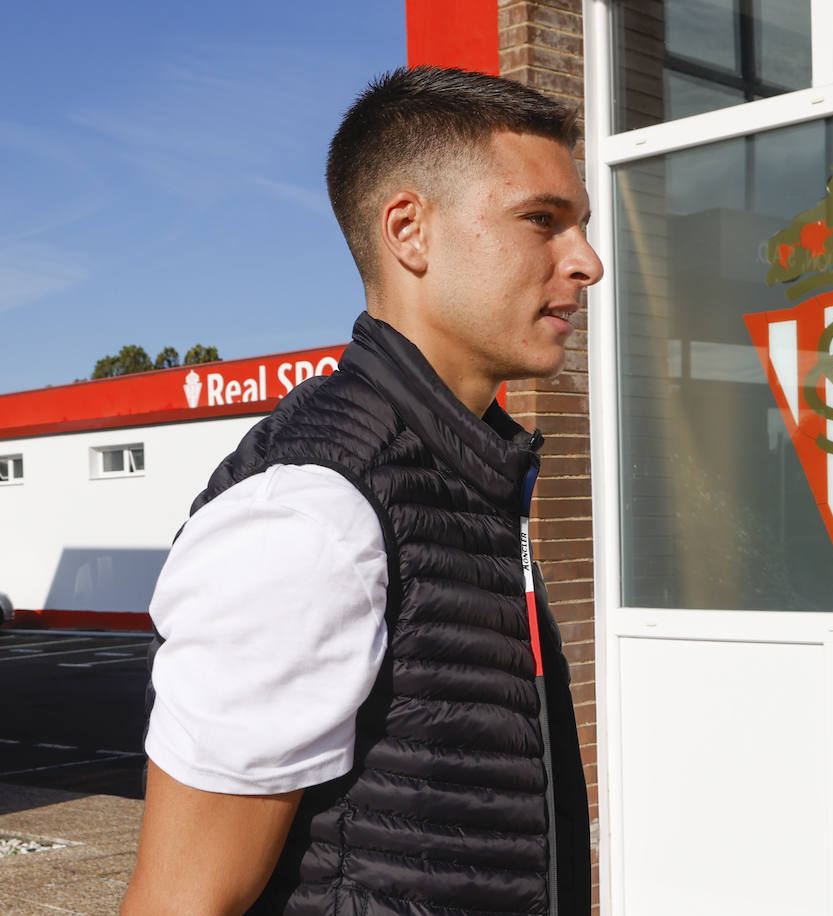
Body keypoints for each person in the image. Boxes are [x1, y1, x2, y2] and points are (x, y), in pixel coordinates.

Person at [121, 67, 602, 916]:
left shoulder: (472, 474)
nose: (587, 263)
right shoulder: (313, 514)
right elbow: (180, 902)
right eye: (543, 222)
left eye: (581, 227)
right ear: (410, 232)